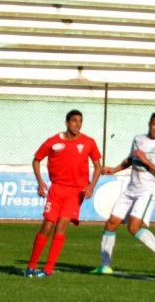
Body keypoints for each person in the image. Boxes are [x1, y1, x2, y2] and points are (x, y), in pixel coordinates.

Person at [92, 111, 155, 276]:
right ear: (149, 123)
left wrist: (146, 161)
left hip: (148, 191)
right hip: (131, 189)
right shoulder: (138, 139)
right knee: (111, 223)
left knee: (133, 227)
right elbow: (131, 159)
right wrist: (114, 169)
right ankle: (105, 266)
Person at [24, 109, 102, 278]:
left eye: (80, 121)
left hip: (76, 192)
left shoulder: (89, 142)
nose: (78, 124)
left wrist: (91, 187)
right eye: (74, 121)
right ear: (67, 122)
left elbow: (98, 166)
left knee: (61, 226)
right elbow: (36, 160)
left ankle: (48, 270)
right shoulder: (53, 141)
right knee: (47, 226)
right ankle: (31, 267)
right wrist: (40, 182)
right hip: (57, 189)